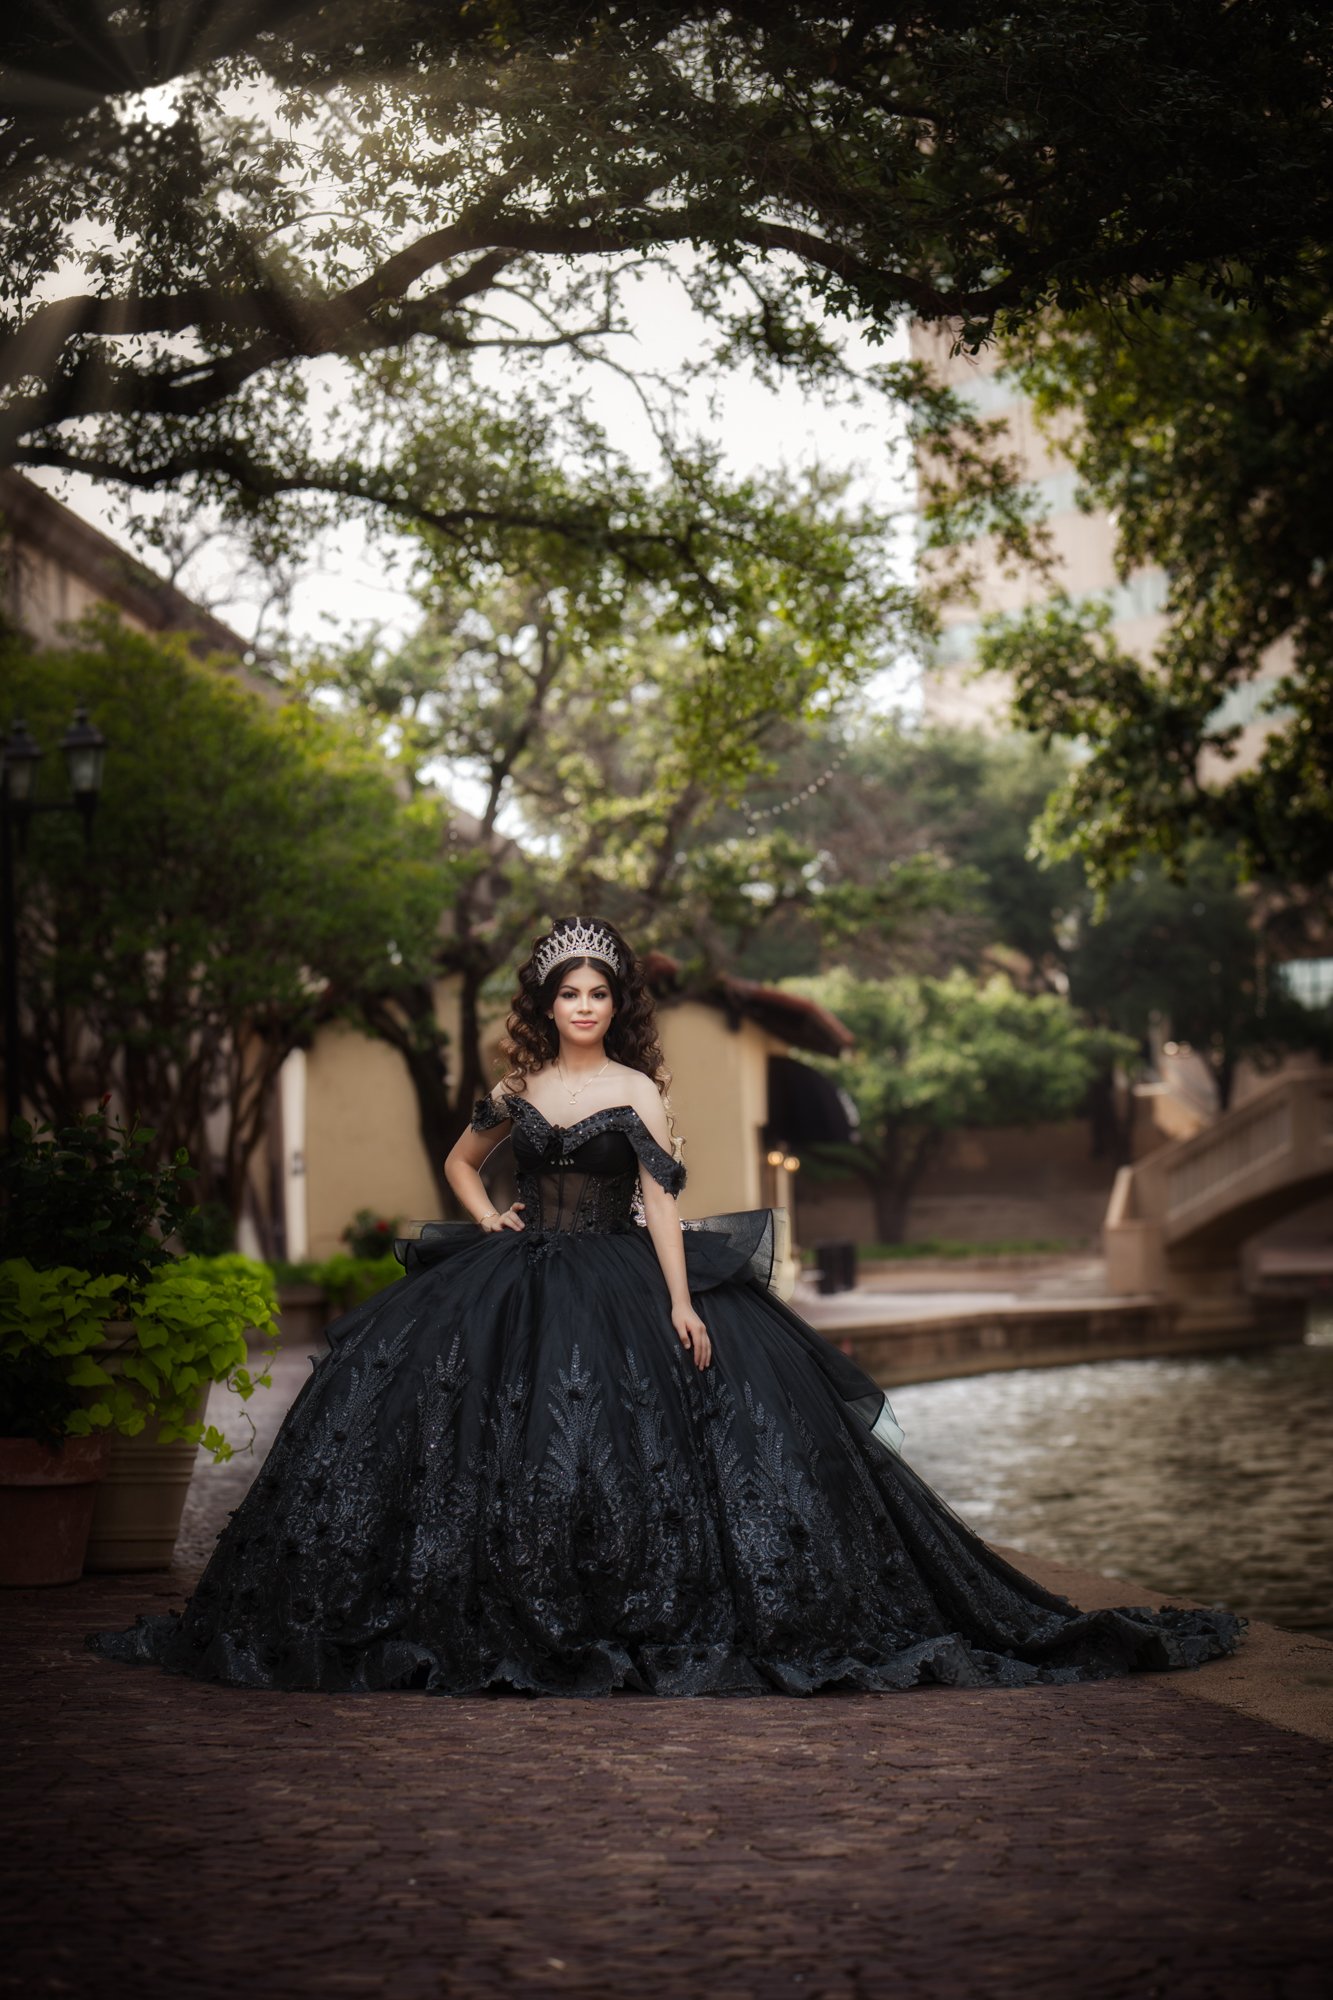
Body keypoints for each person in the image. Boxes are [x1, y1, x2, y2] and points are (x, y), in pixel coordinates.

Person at [89, 917, 1242, 1696]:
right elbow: (458, 1159)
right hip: (519, 1272)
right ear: (541, 1002)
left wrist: (686, 1305)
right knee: (479, 1435)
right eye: (565, 991)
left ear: (612, 1000)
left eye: (596, 990)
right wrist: (488, 1216)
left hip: (625, 1273)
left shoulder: (639, 1085)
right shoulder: (517, 1086)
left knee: (633, 1443)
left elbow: (658, 1198)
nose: (582, 1004)